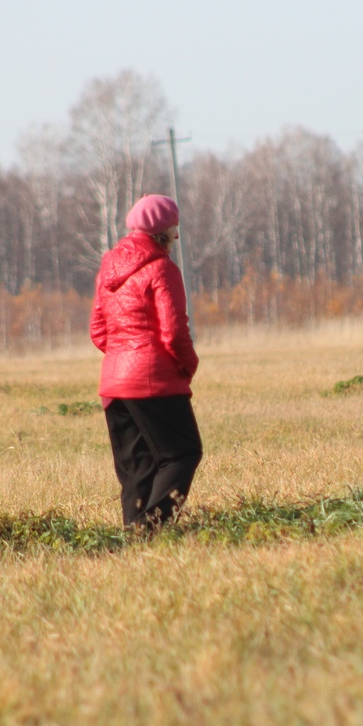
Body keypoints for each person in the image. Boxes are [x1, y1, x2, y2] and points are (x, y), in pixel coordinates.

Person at [90, 195, 202, 529]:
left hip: (113, 383)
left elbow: (98, 330)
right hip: (153, 380)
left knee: (136, 470)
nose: (177, 236)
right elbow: (173, 332)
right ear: (161, 232)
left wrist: (123, 357)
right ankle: (148, 529)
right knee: (182, 453)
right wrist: (188, 365)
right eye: (174, 228)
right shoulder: (162, 269)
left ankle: (134, 543)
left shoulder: (109, 267)